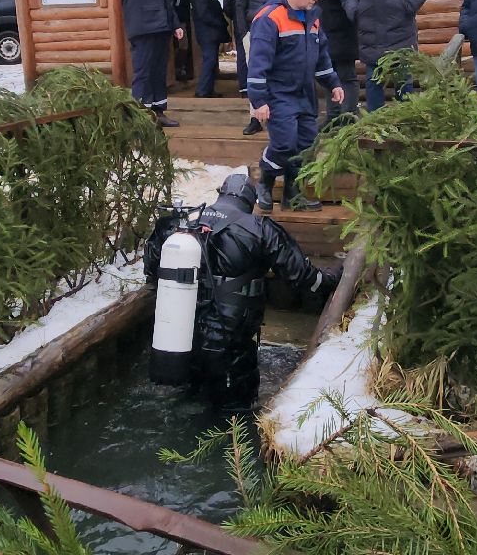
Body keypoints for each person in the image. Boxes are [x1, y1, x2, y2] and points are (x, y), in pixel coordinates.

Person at [144, 174, 340, 410]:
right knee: (234, 418)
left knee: (190, 404)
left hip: (181, 341)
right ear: (251, 200)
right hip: (230, 349)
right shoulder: (260, 229)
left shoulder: (181, 224)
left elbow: (151, 266)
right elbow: (304, 277)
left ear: (221, 193)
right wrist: (335, 276)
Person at [247, 0, 344, 211]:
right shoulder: (270, 18)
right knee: (283, 144)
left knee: (306, 145)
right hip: (278, 95)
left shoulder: (312, 18)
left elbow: (321, 57)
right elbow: (258, 63)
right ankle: (265, 181)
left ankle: (293, 193)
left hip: (305, 94)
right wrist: (258, 101)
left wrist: (332, 83)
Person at [110, 0, 183, 128]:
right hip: (142, 30)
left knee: (159, 72)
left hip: (162, 27)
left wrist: (175, 24)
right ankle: (140, 117)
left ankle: (159, 113)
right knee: (143, 73)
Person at [234, 0, 290, 134]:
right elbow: (239, 5)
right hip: (254, 33)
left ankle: (282, 115)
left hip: (280, 32)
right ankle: (255, 118)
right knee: (255, 76)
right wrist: (243, 34)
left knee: (280, 74)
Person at [190, 0, 231, 97]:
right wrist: (218, 23)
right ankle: (202, 90)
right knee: (209, 60)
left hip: (211, 32)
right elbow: (203, 14)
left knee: (212, 60)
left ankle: (208, 89)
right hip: (207, 32)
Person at [225, 0, 256, 95]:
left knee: (243, 53)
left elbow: (227, 6)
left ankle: (244, 86)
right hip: (258, 21)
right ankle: (259, 84)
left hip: (239, 23)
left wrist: (236, 17)